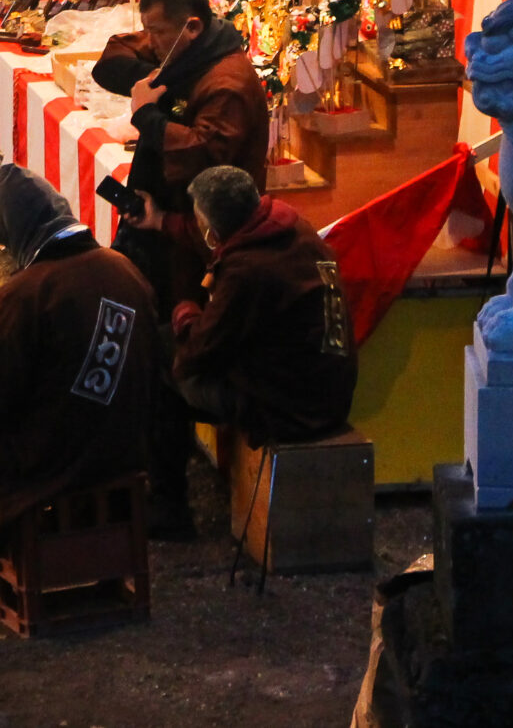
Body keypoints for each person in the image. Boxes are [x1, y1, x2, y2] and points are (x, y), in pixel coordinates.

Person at [0, 165, 159, 598]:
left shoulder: (28, 292)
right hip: (128, 443)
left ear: (18, 230)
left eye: (0, 239)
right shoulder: (123, 269)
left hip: (58, 458)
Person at [152, 165, 358, 536]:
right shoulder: (297, 230)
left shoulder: (249, 271)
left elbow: (197, 354)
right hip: (330, 386)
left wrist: (185, 312)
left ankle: (168, 506)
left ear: (214, 231)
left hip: (293, 407)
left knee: (161, 362)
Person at [90, 0, 271, 310]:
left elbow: (202, 156)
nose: (151, 40)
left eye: (157, 31)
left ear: (192, 27)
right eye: (147, 30)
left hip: (198, 237)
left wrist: (146, 112)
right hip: (162, 223)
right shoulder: (181, 54)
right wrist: (163, 80)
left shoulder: (227, 83)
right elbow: (111, 60)